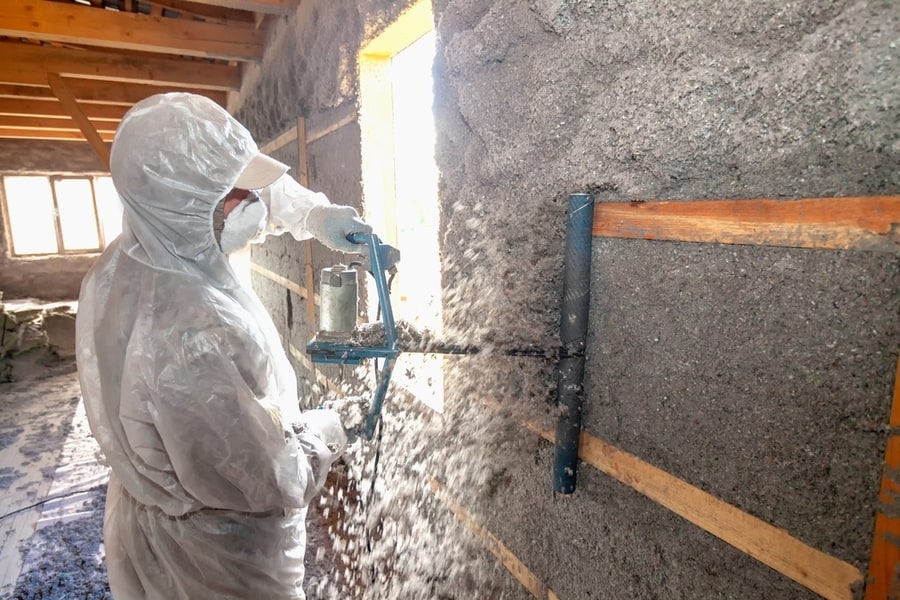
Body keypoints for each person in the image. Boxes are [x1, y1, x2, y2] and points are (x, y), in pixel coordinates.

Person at [75, 92, 370, 599]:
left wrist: (316, 216)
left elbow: (244, 196)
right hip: (217, 560)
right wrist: (325, 433)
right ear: (190, 204)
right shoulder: (194, 333)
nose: (254, 203)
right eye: (236, 193)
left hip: (152, 524)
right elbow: (265, 478)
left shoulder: (126, 263)